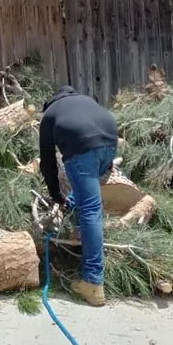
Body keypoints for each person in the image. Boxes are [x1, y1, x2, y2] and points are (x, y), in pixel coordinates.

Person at [39, 85, 118, 307]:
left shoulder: (50, 114)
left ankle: (93, 283)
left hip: (82, 146)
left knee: (91, 210)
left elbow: (47, 162)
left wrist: (56, 194)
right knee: (88, 193)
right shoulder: (85, 101)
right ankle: (73, 203)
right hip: (110, 141)